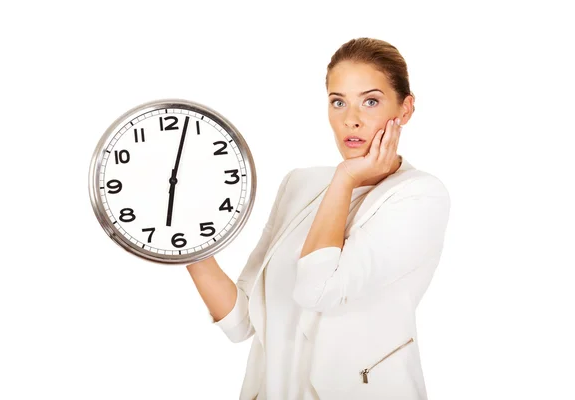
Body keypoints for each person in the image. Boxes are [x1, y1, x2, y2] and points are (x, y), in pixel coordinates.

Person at [186, 37, 451, 400]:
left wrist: (345, 178)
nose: (351, 120)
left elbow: (319, 289)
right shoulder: (300, 183)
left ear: (405, 109)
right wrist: (188, 247)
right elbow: (242, 322)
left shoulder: (420, 195)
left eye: (370, 101)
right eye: (338, 102)